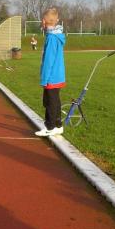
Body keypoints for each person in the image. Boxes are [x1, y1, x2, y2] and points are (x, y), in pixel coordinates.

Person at [34, 8, 66, 137]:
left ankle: (50, 127)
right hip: (58, 75)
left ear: (44, 21)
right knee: (55, 100)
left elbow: (49, 60)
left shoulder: (52, 38)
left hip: (52, 76)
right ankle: (58, 125)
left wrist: (44, 79)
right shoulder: (54, 36)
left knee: (50, 101)